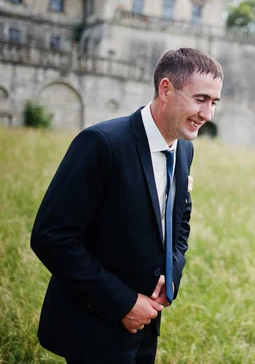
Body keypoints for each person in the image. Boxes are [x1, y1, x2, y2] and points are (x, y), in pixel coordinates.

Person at [30, 48, 223, 363]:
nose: (208, 114)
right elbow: (51, 237)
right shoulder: (101, 143)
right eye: (200, 99)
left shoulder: (184, 150)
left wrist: (172, 271)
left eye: (214, 102)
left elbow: (179, 221)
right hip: (92, 326)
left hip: (148, 322)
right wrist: (122, 303)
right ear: (165, 89)